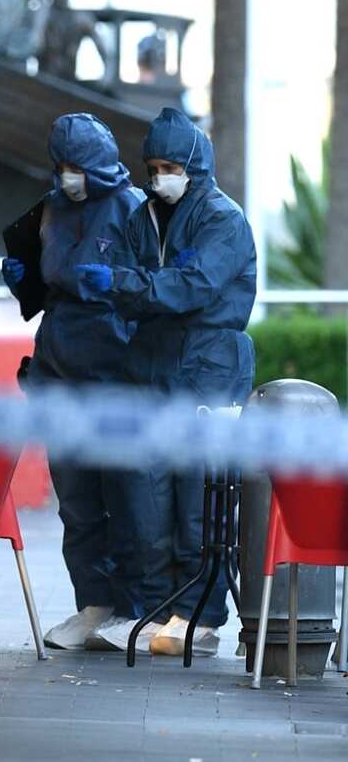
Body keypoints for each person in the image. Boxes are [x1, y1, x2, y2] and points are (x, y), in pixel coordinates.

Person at [76, 107, 257, 656]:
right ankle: (156, 610)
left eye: (170, 164)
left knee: (198, 499)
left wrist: (125, 283)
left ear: (194, 164)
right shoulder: (144, 216)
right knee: (142, 496)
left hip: (208, 371)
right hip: (150, 366)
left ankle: (199, 618)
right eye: (153, 165)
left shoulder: (222, 219)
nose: (159, 175)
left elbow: (190, 286)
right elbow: (148, 287)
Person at [2, 113, 157, 653]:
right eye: (62, 165)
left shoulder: (135, 210)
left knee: (126, 496)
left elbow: (158, 292)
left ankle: (134, 609)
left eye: (77, 166)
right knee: (76, 500)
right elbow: (49, 289)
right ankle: (93, 602)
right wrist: (25, 283)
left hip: (117, 373)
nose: (69, 176)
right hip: (59, 367)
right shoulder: (51, 210)